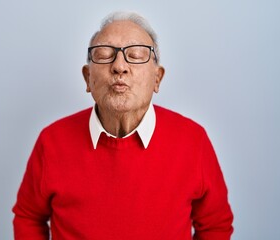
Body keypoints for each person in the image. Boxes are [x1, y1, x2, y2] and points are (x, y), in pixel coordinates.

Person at [12, 11, 233, 240]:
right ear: (88, 78)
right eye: (105, 55)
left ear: (157, 78)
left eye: (136, 55)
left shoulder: (192, 141)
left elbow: (215, 225)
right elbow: (28, 216)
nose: (119, 66)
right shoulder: (52, 141)